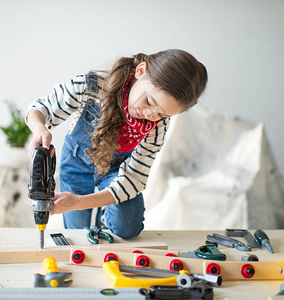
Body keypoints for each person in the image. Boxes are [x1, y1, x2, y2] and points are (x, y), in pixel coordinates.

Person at [25, 49, 207, 239]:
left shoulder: (158, 126)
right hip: (75, 165)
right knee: (78, 235)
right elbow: (40, 108)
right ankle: (96, 217)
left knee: (127, 227)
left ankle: (105, 215)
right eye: (149, 101)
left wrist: (79, 202)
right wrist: (39, 128)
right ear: (140, 71)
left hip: (116, 171)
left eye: (162, 113)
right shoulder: (92, 86)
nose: (151, 115)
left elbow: (134, 179)